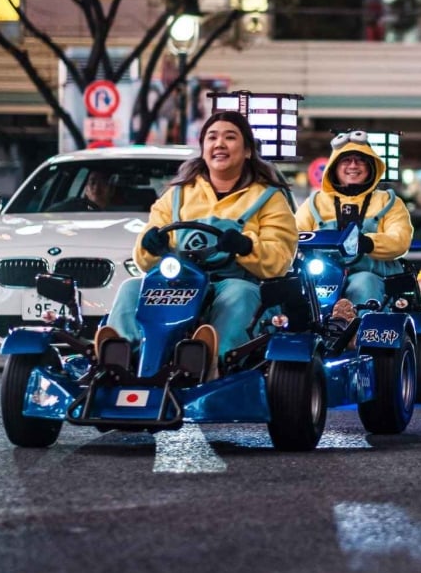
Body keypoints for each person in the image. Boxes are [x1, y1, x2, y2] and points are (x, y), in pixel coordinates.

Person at [96, 111, 298, 377]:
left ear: (248, 150)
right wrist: (150, 244)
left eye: (230, 137)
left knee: (239, 293)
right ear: (203, 149)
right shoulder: (177, 195)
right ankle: (121, 358)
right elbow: (144, 259)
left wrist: (246, 247)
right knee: (132, 287)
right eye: (212, 137)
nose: (220, 144)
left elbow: (280, 260)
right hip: (180, 281)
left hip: (232, 282)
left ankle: (212, 359)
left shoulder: (269, 199)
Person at [295, 131, 413, 315]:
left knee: (364, 283)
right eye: (346, 160)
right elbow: (292, 236)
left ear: (371, 166)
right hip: (321, 277)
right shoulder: (314, 203)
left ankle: (360, 336)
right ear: (334, 166)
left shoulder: (388, 202)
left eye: (360, 160)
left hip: (375, 278)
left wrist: (368, 243)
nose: (353, 165)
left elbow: (400, 240)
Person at [51, 171, 118, 213]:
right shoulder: (73, 208)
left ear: (112, 189)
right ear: (86, 189)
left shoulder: (123, 213)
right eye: (92, 182)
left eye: (103, 183)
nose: (97, 188)